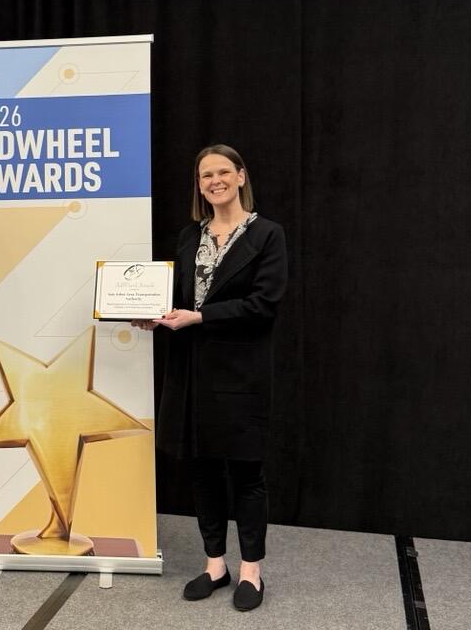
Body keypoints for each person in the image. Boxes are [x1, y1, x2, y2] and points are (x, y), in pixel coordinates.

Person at [133, 144, 287, 612]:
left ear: (241, 176)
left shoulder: (266, 235)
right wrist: (151, 315)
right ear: (199, 185)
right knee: (202, 470)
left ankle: (251, 571)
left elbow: (264, 306)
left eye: (223, 172)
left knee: (245, 473)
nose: (214, 181)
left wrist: (199, 318)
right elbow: (177, 297)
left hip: (240, 374)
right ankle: (215, 563)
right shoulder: (188, 236)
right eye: (205, 175)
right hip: (191, 373)